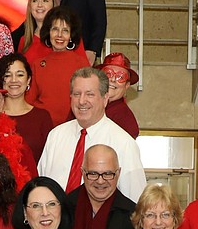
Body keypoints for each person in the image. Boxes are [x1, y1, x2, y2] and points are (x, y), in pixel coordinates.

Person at [38, 67, 145, 200]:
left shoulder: (124, 143)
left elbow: (136, 201)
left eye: (90, 94)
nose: (82, 101)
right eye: (77, 94)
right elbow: (41, 188)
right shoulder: (55, 136)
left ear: (105, 98)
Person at [25, 5, 88, 127]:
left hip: (73, 127)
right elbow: (29, 102)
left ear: (71, 36)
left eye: (65, 30)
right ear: (48, 32)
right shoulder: (38, 65)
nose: (59, 35)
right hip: (42, 127)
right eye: (55, 29)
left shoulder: (81, 64)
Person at [0, 53, 52, 165]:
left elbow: (50, 159)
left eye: (20, 75)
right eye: (7, 75)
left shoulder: (42, 117)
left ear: (28, 80)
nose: (13, 80)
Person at [97, 52, 140, 139]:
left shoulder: (125, 120)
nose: (112, 79)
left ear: (127, 85)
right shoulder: (84, 105)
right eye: (108, 74)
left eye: (120, 77)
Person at [13, 0, 55, 66]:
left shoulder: (65, 36)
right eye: (35, 1)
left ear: (53, 6)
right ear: (30, 6)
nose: (40, 5)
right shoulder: (24, 41)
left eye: (45, 1)